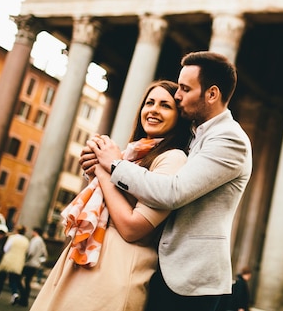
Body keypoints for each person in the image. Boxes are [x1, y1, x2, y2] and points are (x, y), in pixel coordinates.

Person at [82, 51, 253, 311]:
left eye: (185, 88)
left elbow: (173, 191)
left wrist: (114, 164)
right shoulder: (194, 134)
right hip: (164, 268)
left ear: (212, 94)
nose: (177, 96)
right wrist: (97, 167)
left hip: (191, 279)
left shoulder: (230, 139)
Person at [31, 79, 191, 311]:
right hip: (88, 264)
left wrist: (105, 170)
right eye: (150, 103)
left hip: (116, 270)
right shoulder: (131, 154)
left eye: (166, 105)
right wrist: (97, 167)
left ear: (179, 117)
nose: (154, 109)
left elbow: (132, 228)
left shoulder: (173, 158)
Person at [0, 225, 29, 304]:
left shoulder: (12, 238)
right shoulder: (26, 240)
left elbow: (6, 248)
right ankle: (15, 294)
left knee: (1, 278)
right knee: (13, 279)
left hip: (8, 260)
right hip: (19, 262)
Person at [18, 227, 48, 307]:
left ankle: (23, 298)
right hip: (35, 264)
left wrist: (25, 260)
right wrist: (39, 261)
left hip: (29, 264)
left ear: (35, 232)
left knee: (19, 279)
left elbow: (30, 252)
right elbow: (45, 254)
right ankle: (24, 299)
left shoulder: (35, 240)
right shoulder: (41, 241)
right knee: (27, 282)